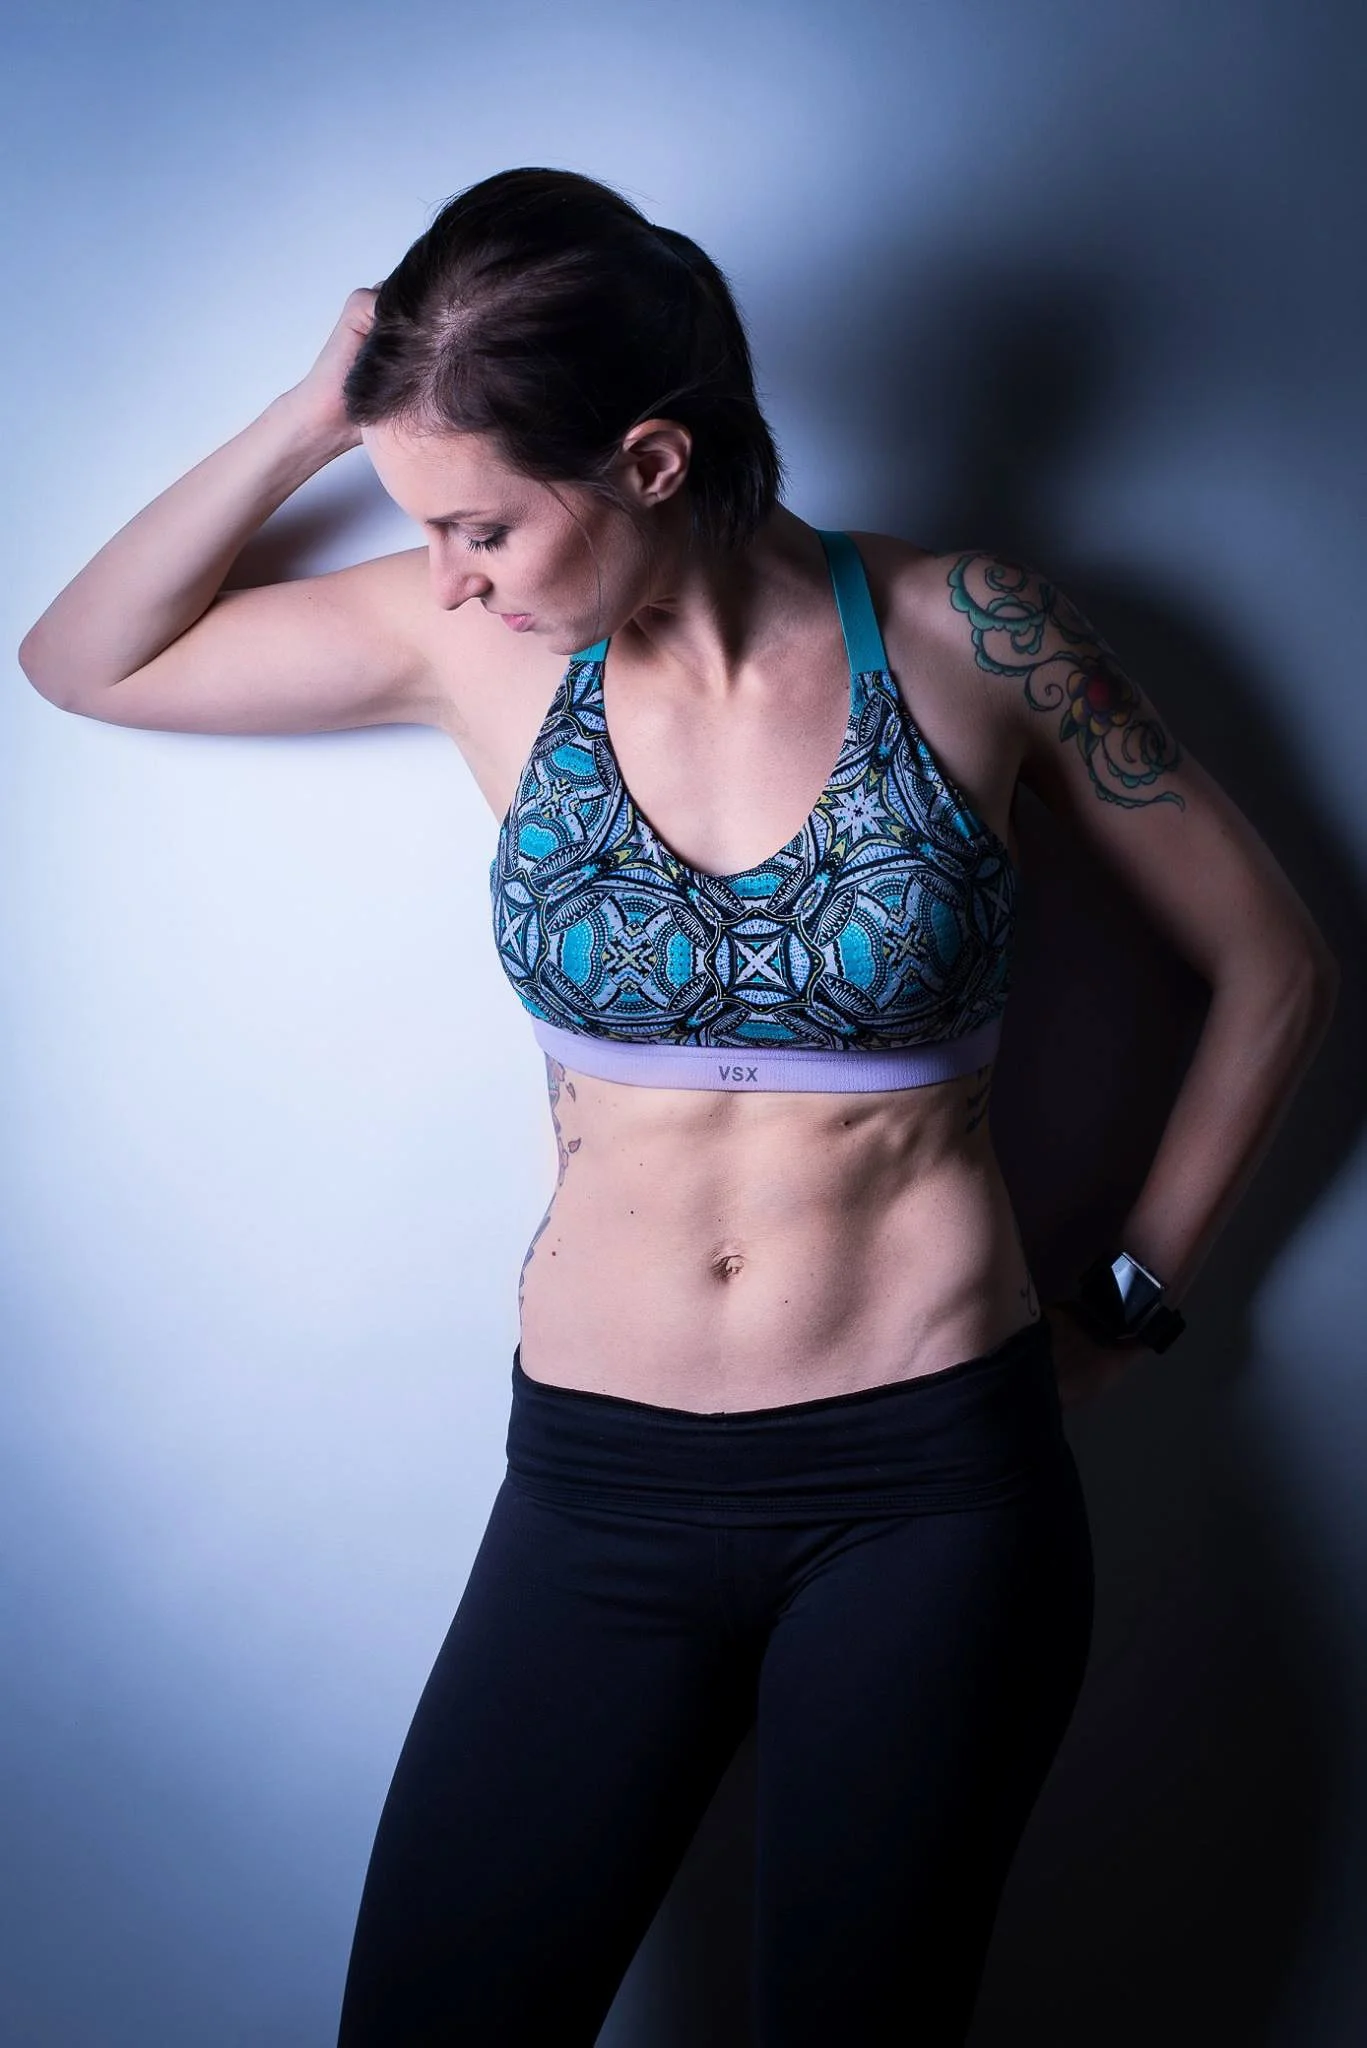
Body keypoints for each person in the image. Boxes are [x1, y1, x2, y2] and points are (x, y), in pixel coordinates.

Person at [19, 166, 1338, 2046]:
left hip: (928, 1493)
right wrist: (330, 407)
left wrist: (1130, 1307)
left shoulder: (968, 633)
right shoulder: (466, 647)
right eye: (429, 528)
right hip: (597, 1494)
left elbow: (1274, 965)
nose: (449, 569)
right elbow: (85, 659)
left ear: (647, 461)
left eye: (480, 521)